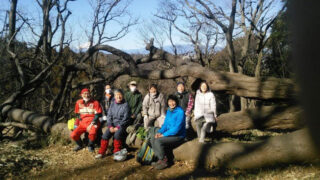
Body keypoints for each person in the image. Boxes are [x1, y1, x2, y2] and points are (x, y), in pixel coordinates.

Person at [150, 95, 186, 170]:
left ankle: (164, 161)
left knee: (158, 141)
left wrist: (163, 135)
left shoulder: (180, 112)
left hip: (178, 136)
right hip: (170, 134)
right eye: (170, 101)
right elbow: (165, 124)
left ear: (176, 102)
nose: (171, 103)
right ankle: (159, 159)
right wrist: (159, 132)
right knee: (153, 138)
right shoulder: (169, 111)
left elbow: (177, 129)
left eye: (173, 101)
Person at [95, 89, 131, 159]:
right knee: (105, 135)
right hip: (112, 125)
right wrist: (110, 126)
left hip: (121, 125)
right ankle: (101, 152)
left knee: (117, 135)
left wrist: (117, 127)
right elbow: (109, 116)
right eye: (117, 95)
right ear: (114, 96)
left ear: (123, 96)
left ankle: (116, 152)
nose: (118, 96)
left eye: (120, 95)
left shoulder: (126, 105)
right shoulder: (112, 104)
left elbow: (126, 119)